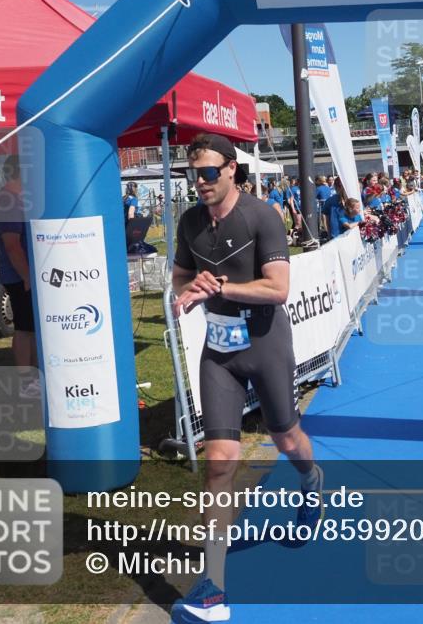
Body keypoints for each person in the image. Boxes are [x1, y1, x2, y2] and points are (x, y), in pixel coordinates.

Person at [169, 134, 323, 623]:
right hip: (219, 353)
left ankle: (311, 478)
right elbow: (178, 276)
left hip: (265, 346)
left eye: (209, 173)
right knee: (219, 460)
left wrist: (225, 288)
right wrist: (188, 288)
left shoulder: (262, 216)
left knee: (287, 437)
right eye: (193, 174)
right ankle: (213, 586)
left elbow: (279, 289)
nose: (200, 182)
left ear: (232, 170)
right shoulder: (189, 221)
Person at [0, 156, 40, 399]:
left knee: (29, 327)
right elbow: (12, 246)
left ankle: (34, 379)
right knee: (24, 328)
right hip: (19, 275)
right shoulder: (8, 201)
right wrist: (27, 276)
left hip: (24, 275)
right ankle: (27, 383)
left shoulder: (16, 199)